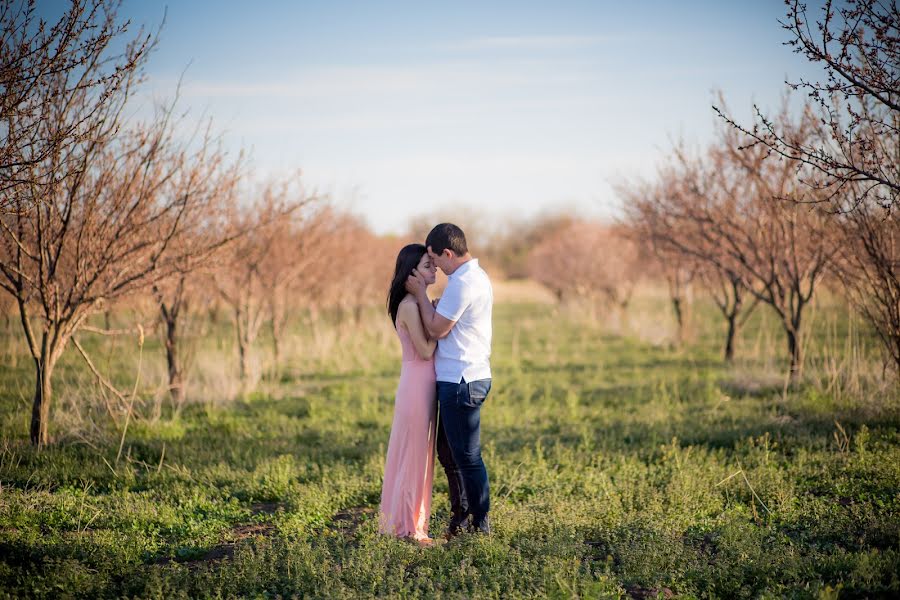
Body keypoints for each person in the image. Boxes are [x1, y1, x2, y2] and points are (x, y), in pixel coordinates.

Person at [405, 223, 494, 537]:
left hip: (461, 380)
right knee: (449, 453)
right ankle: (461, 517)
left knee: (467, 457)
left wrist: (420, 293)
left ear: (447, 253)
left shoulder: (462, 284)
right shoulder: (474, 277)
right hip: (463, 376)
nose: (437, 268)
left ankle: (479, 525)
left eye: (436, 260)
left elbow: (436, 330)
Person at [378, 244, 439, 546]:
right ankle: (407, 529)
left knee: (419, 456)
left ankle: (413, 523)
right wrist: (446, 326)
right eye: (428, 264)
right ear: (412, 271)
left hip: (421, 383)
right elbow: (426, 350)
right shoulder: (410, 306)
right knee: (413, 457)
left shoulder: (418, 302)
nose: (435, 268)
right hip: (417, 384)